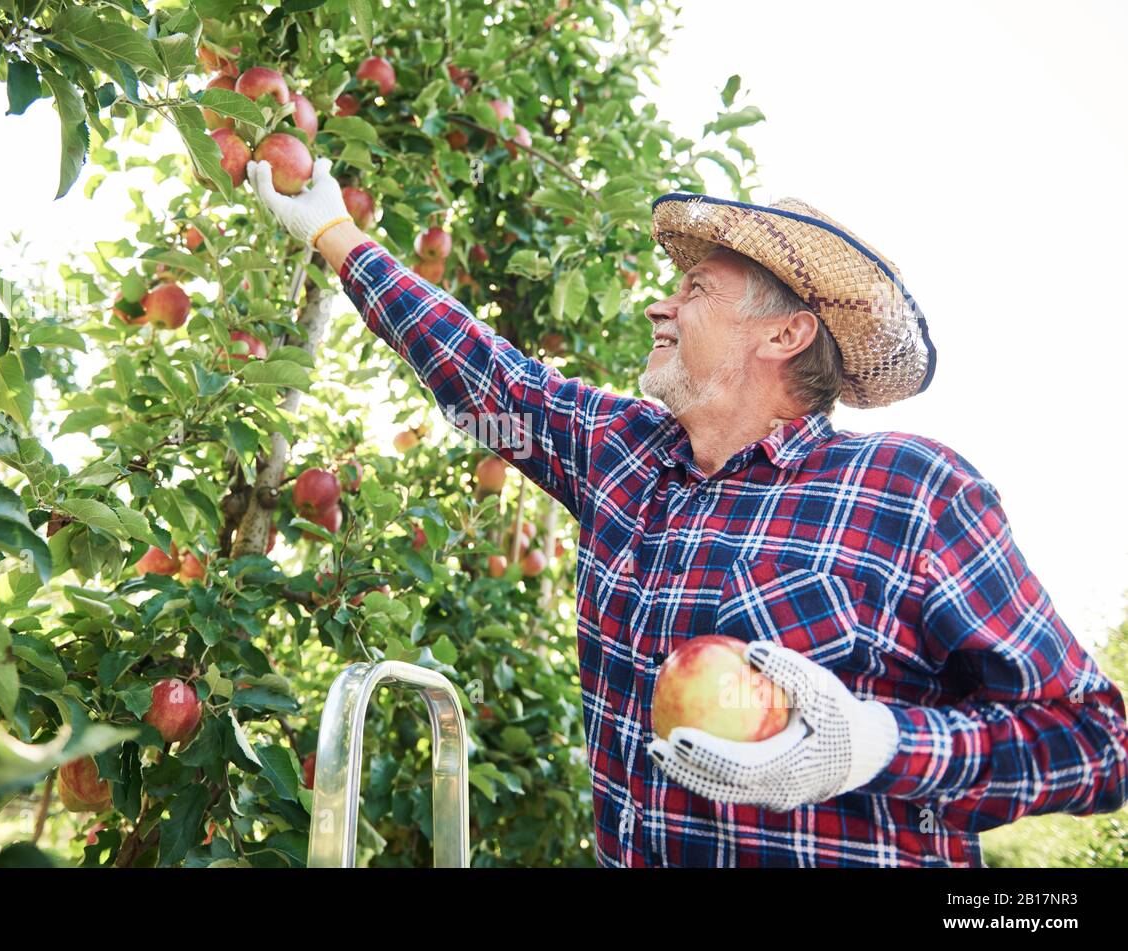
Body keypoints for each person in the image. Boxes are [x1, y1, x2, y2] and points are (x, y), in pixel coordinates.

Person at [248, 157, 1128, 866]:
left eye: (698, 287)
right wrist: (335, 234)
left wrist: (870, 743)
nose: (662, 303)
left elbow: (1095, 742)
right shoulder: (621, 454)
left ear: (785, 334)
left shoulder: (910, 494)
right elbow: (481, 383)